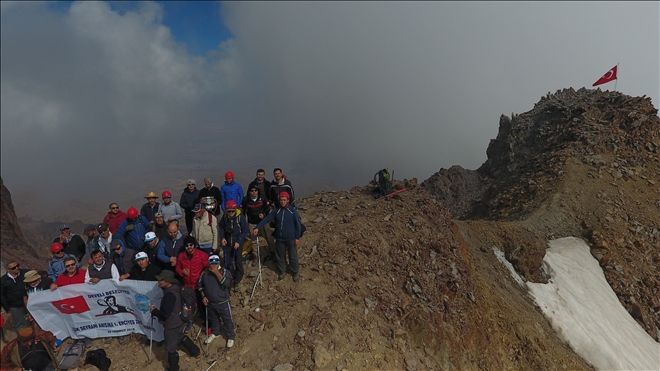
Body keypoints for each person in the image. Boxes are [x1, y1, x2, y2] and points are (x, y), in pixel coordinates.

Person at [255, 192, 302, 281]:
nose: (282, 202)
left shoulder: (292, 211)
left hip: (291, 238)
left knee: (293, 256)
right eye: (281, 200)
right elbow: (267, 219)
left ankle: (295, 272)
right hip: (280, 238)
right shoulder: (276, 211)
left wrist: (297, 237)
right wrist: (258, 227)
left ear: (288, 200)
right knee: (280, 256)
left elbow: (298, 225)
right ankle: (282, 271)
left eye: (284, 200)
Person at [150, 270, 187, 371]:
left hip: (172, 325)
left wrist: (154, 311)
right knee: (180, 336)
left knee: (171, 349)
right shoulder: (176, 289)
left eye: (161, 280)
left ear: (168, 282)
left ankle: (174, 368)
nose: (159, 282)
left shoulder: (169, 295)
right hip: (179, 321)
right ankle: (196, 352)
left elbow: (165, 314)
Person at [198, 254, 235, 348]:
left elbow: (226, 283)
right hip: (210, 303)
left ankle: (230, 336)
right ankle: (215, 332)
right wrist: (203, 296)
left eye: (216, 262)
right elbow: (200, 286)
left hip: (223, 302)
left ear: (219, 262)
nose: (214, 264)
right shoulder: (204, 273)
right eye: (211, 262)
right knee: (214, 319)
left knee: (227, 320)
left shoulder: (224, 271)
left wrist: (216, 273)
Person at [176, 236, 208, 322]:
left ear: (194, 245)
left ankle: (205, 321)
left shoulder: (202, 255)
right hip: (187, 285)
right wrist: (182, 272)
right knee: (188, 306)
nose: (189, 247)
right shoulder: (181, 256)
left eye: (191, 245)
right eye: (187, 245)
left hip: (198, 285)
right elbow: (177, 268)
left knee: (202, 305)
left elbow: (208, 268)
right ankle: (190, 321)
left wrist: (203, 276)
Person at [219, 200, 248, 292]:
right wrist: (223, 237)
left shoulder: (240, 217)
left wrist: (239, 241)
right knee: (227, 261)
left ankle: (237, 280)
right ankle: (229, 278)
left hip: (237, 242)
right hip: (228, 242)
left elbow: (245, 231)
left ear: (235, 210)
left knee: (238, 261)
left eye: (232, 211)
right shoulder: (225, 217)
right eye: (229, 211)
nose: (231, 213)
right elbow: (221, 227)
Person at [242, 185, 275, 262]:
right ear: (249, 192)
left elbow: (267, 208)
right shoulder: (246, 200)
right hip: (252, 223)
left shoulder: (262, 198)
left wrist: (264, 214)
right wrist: (244, 221)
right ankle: (255, 256)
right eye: (252, 191)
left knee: (269, 237)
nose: (254, 192)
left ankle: (273, 253)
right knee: (253, 240)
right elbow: (243, 211)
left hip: (263, 222)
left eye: (255, 190)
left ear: (258, 191)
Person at [0, 262, 30, 331]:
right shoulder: (3, 280)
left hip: (29, 301)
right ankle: (25, 339)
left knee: (34, 320)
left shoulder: (25, 273)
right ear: (7, 269)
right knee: (21, 324)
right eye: (14, 268)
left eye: (17, 266)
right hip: (14, 305)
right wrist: (7, 308)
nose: (17, 268)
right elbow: (2, 295)